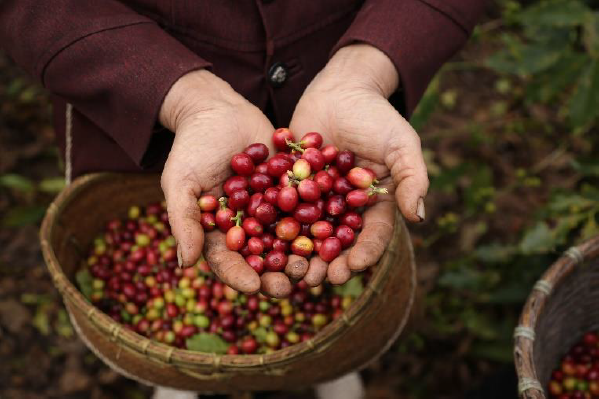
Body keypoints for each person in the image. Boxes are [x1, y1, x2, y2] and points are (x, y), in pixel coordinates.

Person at [1, 1, 485, 398]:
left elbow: (302, 205)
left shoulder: (300, 186)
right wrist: (184, 97)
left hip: (333, 56)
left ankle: (332, 355)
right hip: (140, 88)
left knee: (335, 273)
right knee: (178, 216)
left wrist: (370, 64)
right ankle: (179, 374)